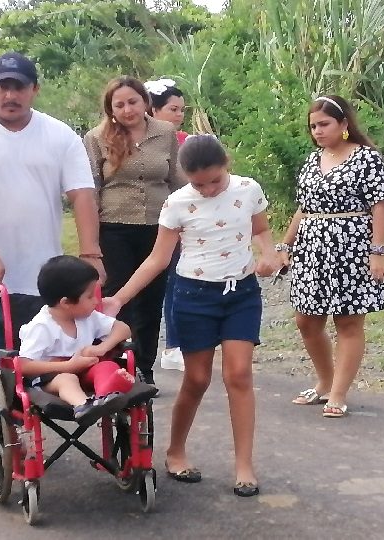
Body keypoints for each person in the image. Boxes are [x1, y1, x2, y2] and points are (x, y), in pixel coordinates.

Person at [103, 134, 282, 497]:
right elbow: (157, 259)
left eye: (215, 180)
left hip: (241, 293)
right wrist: (118, 299)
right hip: (193, 296)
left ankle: (244, 466)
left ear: (226, 164)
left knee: (239, 374)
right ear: (185, 176)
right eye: (199, 184)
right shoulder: (177, 203)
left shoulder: (248, 189)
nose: (208, 190)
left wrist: (269, 253)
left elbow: (261, 229)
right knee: (197, 379)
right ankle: (175, 451)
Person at [0, 51, 105, 381]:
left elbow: (82, 194)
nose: (10, 95)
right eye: (3, 87)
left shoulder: (59, 135)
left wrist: (90, 254)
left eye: (19, 87)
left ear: (34, 89)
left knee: (40, 369)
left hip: (41, 278)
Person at [278, 95, 384, 419]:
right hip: (312, 247)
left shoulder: (366, 158)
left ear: (343, 124)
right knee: (306, 319)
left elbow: (380, 207)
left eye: (324, 124)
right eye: (313, 126)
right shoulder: (312, 160)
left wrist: (378, 253)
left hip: (352, 247)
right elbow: (304, 207)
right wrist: (285, 245)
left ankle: (338, 393)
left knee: (348, 320)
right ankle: (324, 382)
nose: (317, 130)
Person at [84, 76, 185, 387]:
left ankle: (144, 368)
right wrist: (91, 243)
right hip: (114, 229)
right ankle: (117, 366)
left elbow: (176, 179)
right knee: (118, 298)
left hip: (159, 227)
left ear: (145, 102)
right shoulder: (96, 138)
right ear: (110, 109)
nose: (127, 110)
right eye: (120, 105)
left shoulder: (165, 132)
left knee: (151, 300)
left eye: (133, 102)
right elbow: (91, 189)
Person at [18, 256, 157, 423]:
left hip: (85, 372)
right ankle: (83, 406)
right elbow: (23, 365)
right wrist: (67, 366)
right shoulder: (41, 327)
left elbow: (123, 328)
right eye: (90, 296)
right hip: (51, 379)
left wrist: (102, 347)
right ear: (66, 302)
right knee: (67, 379)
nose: (96, 301)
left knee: (107, 366)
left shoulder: (88, 317)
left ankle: (105, 398)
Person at [145, 78, 188, 371]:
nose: (179, 115)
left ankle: (174, 345)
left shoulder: (185, 140)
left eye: (182, 110)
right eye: (173, 109)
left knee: (175, 282)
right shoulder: (140, 141)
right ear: (154, 110)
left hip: (178, 221)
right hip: (146, 220)